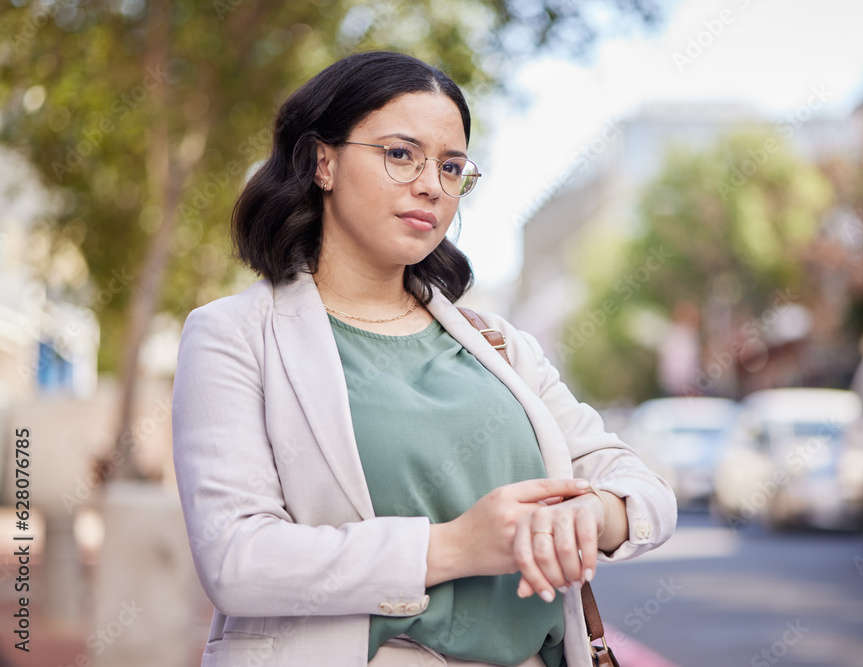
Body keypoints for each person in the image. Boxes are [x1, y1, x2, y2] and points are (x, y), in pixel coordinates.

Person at [171, 50, 677, 667]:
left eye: (452, 165)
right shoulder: (234, 336)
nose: (431, 185)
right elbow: (236, 559)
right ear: (322, 162)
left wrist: (591, 517)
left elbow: (642, 490)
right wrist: (455, 548)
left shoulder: (498, 344)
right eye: (400, 154)